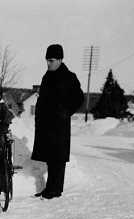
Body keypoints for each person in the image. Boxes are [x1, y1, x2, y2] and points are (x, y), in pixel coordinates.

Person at [31, 44, 84, 199]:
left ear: (60, 60)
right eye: (47, 60)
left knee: (58, 158)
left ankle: (55, 190)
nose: (48, 63)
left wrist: (66, 112)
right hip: (46, 124)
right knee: (49, 157)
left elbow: (79, 98)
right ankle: (50, 188)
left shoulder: (69, 77)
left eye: (52, 60)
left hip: (59, 125)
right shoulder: (47, 76)